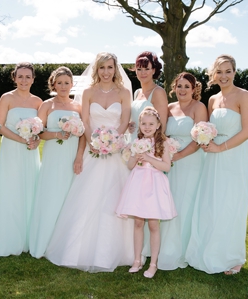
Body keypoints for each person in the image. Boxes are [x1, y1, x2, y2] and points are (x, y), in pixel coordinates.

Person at [45, 52, 134, 272]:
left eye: (110, 67)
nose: (106, 72)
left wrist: (112, 141)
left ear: (115, 69)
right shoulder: (87, 92)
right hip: (92, 149)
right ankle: (77, 251)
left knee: (114, 200)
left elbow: (124, 121)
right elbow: (84, 120)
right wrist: (94, 141)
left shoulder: (123, 92)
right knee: (87, 197)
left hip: (115, 153)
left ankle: (118, 251)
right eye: (102, 68)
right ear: (97, 69)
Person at [185, 54, 248, 275]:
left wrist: (220, 147)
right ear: (213, 75)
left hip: (234, 155)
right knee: (212, 203)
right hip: (213, 158)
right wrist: (206, 141)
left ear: (234, 72)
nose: (223, 76)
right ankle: (210, 250)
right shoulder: (213, 100)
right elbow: (207, 128)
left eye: (228, 71)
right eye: (219, 72)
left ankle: (233, 257)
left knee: (232, 204)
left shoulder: (244, 96)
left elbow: (247, 131)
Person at [28, 67, 83, 258]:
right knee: (51, 193)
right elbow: (39, 131)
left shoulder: (78, 107)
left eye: (66, 83)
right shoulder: (46, 105)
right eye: (59, 83)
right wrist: (57, 134)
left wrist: (79, 157)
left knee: (70, 195)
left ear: (72, 84)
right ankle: (46, 240)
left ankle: (67, 241)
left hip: (71, 155)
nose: (63, 86)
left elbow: (83, 134)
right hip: (53, 154)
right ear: (53, 84)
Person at [117, 107, 177, 278]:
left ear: (158, 125)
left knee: (153, 224)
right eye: (144, 123)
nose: (147, 127)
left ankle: (153, 263)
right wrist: (136, 155)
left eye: (151, 124)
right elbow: (130, 166)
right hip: (138, 183)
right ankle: (137, 260)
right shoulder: (136, 141)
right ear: (140, 125)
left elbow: (166, 166)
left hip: (154, 184)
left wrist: (150, 158)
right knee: (137, 223)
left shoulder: (162, 143)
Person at [158, 72, 208, 271]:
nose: (182, 90)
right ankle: (165, 246)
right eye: (179, 86)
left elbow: (199, 139)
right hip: (170, 162)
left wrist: (177, 156)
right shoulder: (169, 108)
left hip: (190, 161)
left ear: (194, 89)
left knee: (186, 202)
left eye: (187, 86)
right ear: (174, 87)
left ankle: (184, 248)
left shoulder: (199, 108)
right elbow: (160, 132)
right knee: (170, 201)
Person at [0, 62, 43, 257]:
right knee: (11, 189)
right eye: (20, 76)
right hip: (12, 149)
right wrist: (20, 139)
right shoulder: (6, 98)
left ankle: (29, 239)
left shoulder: (38, 102)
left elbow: (40, 129)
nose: (24, 80)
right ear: (14, 78)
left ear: (33, 79)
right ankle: (8, 239)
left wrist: (36, 140)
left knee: (30, 189)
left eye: (27, 77)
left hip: (30, 151)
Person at [129, 51, 168, 140]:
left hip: (149, 145)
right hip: (133, 140)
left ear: (153, 70)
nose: (143, 72)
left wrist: (149, 148)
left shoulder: (158, 92)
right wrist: (130, 125)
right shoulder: (137, 93)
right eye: (139, 69)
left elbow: (162, 126)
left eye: (146, 69)